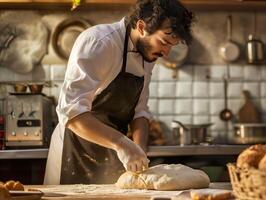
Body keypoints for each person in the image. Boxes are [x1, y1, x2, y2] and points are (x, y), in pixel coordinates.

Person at [44, 0, 194, 184]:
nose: (166, 53)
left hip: (114, 155)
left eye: (172, 45)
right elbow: (72, 113)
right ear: (141, 27)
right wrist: (122, 144)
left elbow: (140, 111)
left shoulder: (148, 54)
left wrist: (138, 151)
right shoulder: (99, 42)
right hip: (74, 152)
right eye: (164, 42)